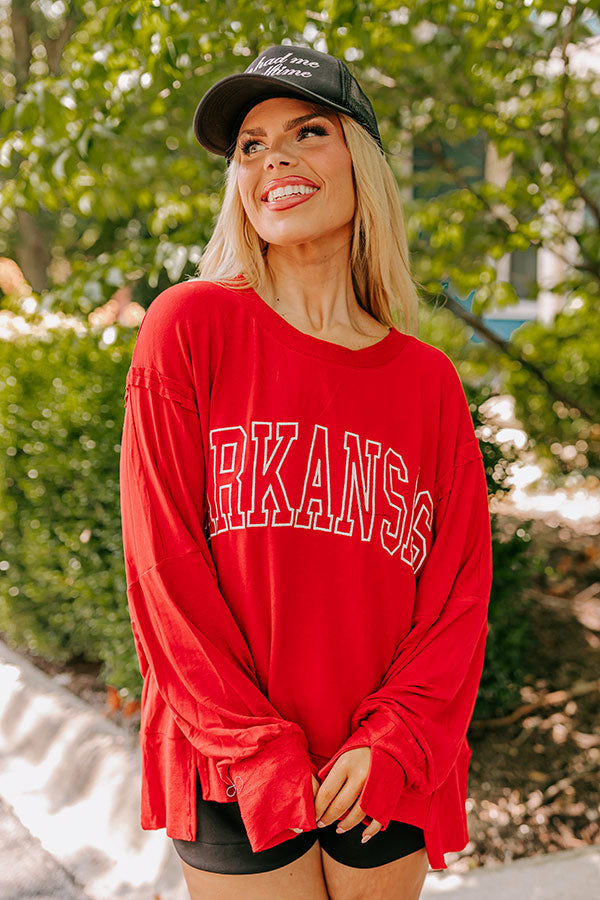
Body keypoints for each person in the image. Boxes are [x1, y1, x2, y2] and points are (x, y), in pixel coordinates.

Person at [119, 43, 493, 900]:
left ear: (358, 157)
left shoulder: (425, 380)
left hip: (386, 761)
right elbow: (162, 569)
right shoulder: (189, 329)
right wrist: (258, 748)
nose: (273, 158)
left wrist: (394, 739)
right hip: (227, 754)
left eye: (306, 131)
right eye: (250, 146)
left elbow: (458, 591)